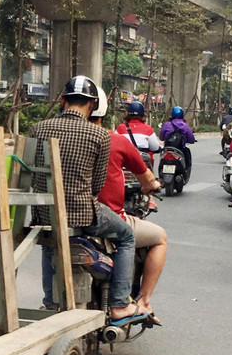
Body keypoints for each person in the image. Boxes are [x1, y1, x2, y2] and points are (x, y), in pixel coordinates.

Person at [31, 76, 142, 323]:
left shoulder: (38, 129)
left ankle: (50, 304)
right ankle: (120, 304)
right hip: (83, 215)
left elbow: (32, 172)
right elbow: (97, 185)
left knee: (50, 241)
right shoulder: (99, 135)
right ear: (91, 105)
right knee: (127, 236)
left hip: (46, 213)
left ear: (62, 101)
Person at [90, 87, 166, 324]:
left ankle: (51, 303)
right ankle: (139, 301)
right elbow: (148, 174)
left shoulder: (120, 130)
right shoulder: (114, 138)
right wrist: (152, 185)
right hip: (104, 216)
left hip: (67, 215)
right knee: (158, 237)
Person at [158, 106, 196, 177]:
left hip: (167, 149)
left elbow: (161, 137)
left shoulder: (166, 125)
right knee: (187, 157)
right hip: (180, 150)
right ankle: (185, 174)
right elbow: (191, 139)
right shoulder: (185, 126)